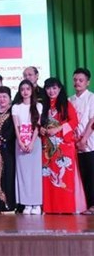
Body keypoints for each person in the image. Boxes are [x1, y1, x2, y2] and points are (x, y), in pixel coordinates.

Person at [40, 77, 86, 214]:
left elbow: (74, 121)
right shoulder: (43, 106)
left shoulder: (66, 104)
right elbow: (39, 123)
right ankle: (51, 208)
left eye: (54, 88)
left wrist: (58, 128)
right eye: (48, 88)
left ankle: (66, 207)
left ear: (60, 89)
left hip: (63, 146)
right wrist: (41, 129)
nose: (51, 91)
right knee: (49, 177)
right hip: (47, 147)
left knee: (64, 177)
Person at [12, 79, 43, 215]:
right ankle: (26, 203)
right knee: (23, 174)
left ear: (32, 91)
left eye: (28, 89)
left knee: (35, 174)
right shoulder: (16, 107)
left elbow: (37, 126)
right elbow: (16, 127)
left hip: (34, 142)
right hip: (20, 143)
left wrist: (31, 142)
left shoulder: (39, 106)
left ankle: (36, 203)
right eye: (22, 89)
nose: (25, 92)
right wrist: (20, 141)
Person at [69, 68, 94, 215]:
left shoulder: (91, 98)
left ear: (87, 82)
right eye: (75, 80)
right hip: (73, 144)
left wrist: (84, 139)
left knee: (91, 174)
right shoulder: (69, 100)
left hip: (89, 142)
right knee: (79, 175)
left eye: (81, 80)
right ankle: (81, 204)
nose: (77, 83)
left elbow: (92, 119)